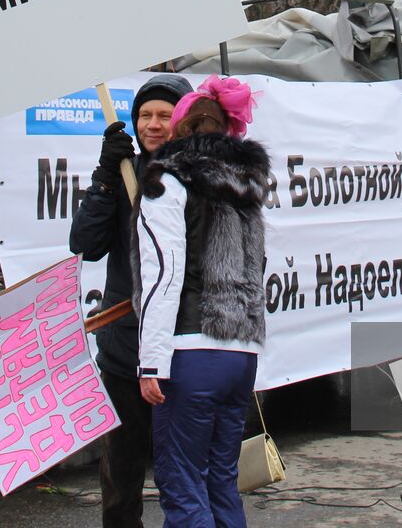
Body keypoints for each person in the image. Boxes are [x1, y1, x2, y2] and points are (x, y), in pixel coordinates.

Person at [133, 76, 268, 528]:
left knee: (182, 483)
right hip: (241, 356)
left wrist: (150, 361)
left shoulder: (167, 183)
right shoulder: (247, 185)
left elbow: (163, 277)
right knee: (221, 482)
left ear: (177, 130)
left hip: (190, 353)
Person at [70, 74, 192, 528]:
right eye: (145, 115)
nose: (153, 124)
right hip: (124, 350)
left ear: (184, 119)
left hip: (183, 349)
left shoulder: (203, 176)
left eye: (165, 115)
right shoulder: (122, 175)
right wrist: (105, 177)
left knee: (182, 478)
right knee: (121, 480)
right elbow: (85, 242)